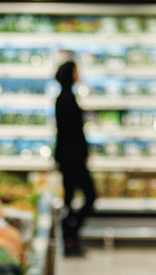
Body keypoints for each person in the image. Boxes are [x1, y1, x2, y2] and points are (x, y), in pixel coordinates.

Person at [54, 60, 96, 257]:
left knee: (70, 198)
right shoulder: (66, 99)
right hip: (73, 159)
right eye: (76, 70)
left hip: (68, 158)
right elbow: (70, 133)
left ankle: (69, 235)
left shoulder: (66, 97)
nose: (79, 74)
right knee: (89, 196)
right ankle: (68, 233)